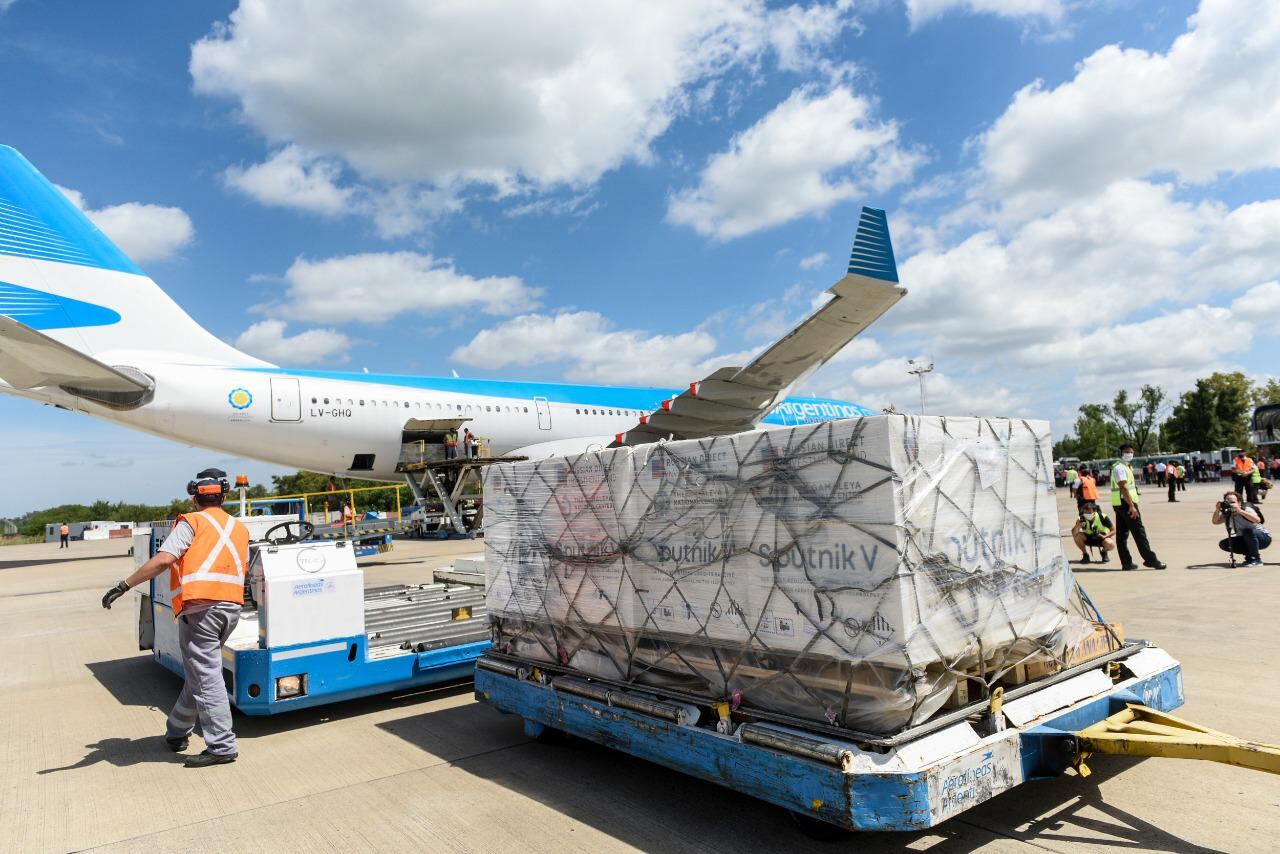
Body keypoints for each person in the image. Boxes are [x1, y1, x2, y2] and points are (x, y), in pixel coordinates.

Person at [100, 468, 249, 767]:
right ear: (225, 496)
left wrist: (124, 585)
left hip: (201, 609)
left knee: (206, 676)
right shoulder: (238, 527)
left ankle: (221, 746)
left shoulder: (191, 522)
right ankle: (176, 732)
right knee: (200, 673)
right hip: (230, 608)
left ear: (195, 497)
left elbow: (165, 558)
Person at [1111, 443, 1167, 571]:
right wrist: (1132, 506)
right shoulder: (1120, 468)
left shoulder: (1124, 466)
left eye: (1131, 452)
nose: (1129, 454)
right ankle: (1150, 560)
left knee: (1122, 535)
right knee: (1139, 532)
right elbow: (1123, 487)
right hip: (1126, 504)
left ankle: (1126, 563)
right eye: (1126, 452)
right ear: (1121, 454)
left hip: (1120, 503)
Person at [1212, 491, 1271, 567]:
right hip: (1246, 538)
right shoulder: (1227, 513)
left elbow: (1257, 520)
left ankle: (1256, 559)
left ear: (1239, 503)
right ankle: (1249, 558)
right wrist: (1217, 509)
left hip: (1263, 538)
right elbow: (1215, 521)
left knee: (1247, 532)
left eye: (1233, 502)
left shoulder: (1246, 509)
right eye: (1227, 502)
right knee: (1225, 544)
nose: (1230, 504)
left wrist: (1240, 511)